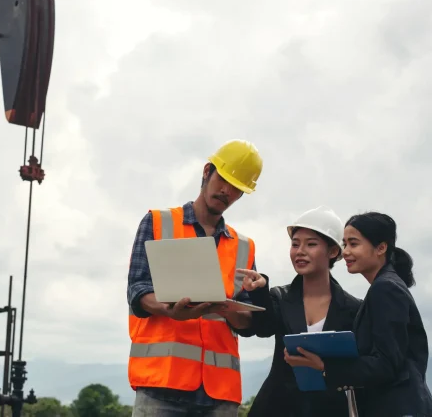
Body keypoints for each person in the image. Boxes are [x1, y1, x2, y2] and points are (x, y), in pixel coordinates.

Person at [126, 139, 263, 417]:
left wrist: (230, 308)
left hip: (220, 394)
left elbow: (249, 324)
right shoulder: (158, 222)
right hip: (161, 386)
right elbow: (138, 289)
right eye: (223, 180)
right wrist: (169, 310)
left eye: (236, 188)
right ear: (206, 171)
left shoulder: (244, 246)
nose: (226, 191)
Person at [284, 212, 432, 417]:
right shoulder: (383, 287)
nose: (345, 252)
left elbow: (387, 364)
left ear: (381, 248)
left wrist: (324, 365)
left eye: (354, 244)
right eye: (344, 244)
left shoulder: (385, 289)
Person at [233, 206, 362, 417]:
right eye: (295, 244)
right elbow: (262, 327)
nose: (300, 251)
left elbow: (359, 367)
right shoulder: (279, 297)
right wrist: (259, 292)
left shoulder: (354, 309)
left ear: (333, 251)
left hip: (328, 410)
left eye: (311, 244)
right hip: (276, 407)